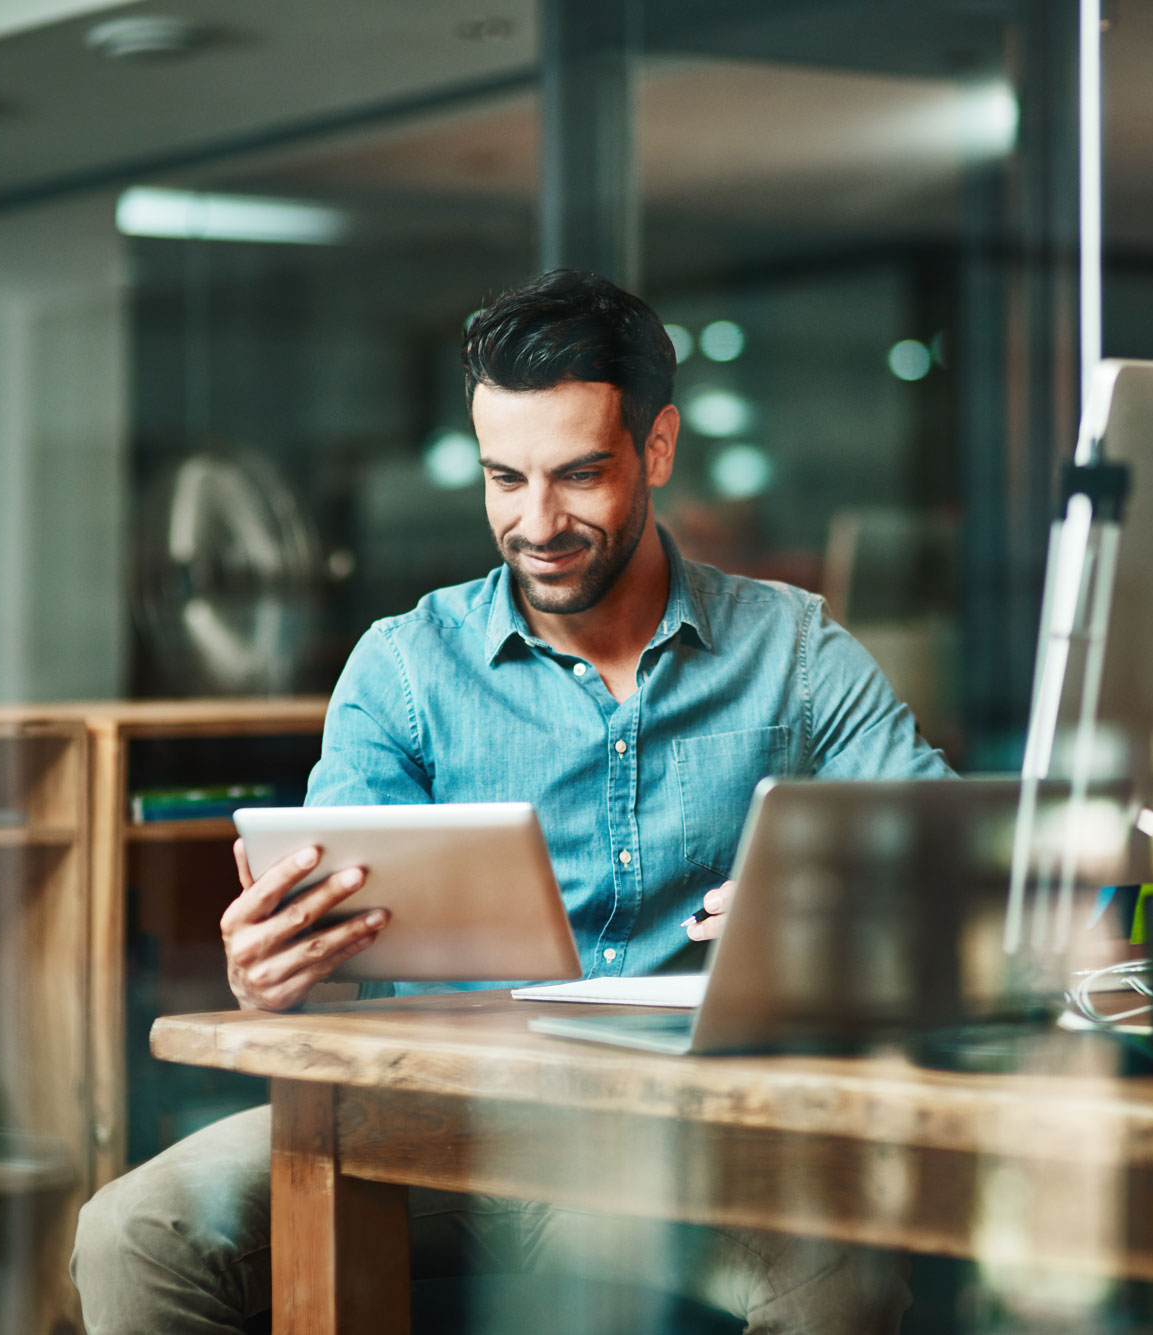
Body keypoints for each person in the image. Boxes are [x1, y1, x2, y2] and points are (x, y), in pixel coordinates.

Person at [71, 269, 954, 1334]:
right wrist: (278, 973)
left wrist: (842, 922)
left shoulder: (796, 654)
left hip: (695, 1144)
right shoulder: (402, 668)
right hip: (430, 1133)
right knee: (134, 1230)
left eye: (578, 475)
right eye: (504, 479)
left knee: (839, 1276)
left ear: (657, 448)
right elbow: (333, 972)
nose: (536, 522)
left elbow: (959, 871)